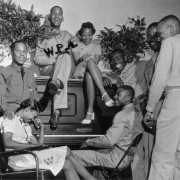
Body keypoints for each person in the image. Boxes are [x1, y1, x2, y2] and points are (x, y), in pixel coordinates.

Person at [1, 98, 97, 180]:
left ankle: (90, 179)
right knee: (67, 151)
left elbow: (39, 144)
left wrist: (42, 127)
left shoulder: (26, 126)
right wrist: (31, 146)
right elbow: (7, 142)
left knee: (67, 162)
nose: (33, 119)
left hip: (29, 155)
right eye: (34, 116)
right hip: (19, 159)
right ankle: (90, 179)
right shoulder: (10, 119)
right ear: (27, 109)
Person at [72, 85, 143, 178]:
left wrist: (88, 141)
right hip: (126, 157)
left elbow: (108, 142)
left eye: (118, 94)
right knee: (95, 151)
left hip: (115, 159)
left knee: (70, 155)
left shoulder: (122, 115)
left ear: (128, 98)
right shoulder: (138, 113)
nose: (114, 97)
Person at [143, 15, 180, 180]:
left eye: (160, 32)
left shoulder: (170, 42)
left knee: (163, 155)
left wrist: (150, 108)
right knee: (178, 155)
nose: (159, 37)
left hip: (175, 98)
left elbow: (159, 80)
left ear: (171, 28)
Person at [34, 6, 78, 128]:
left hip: (63, 70)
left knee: (65, 57)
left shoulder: (68, 36)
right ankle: (57, 111)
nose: (56, 16)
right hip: (49, 70)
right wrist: (54, 60)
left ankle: (57, 82)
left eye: (59, 14)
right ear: (50, 16)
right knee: (62, 60)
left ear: (62, 18)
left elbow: (77, 54)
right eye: (54, 13)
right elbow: (36, 59)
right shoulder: (42, 37)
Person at [131, 22, 162, 180]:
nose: (151, 39)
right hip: (150, 109)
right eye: (148, 36)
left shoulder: (165, 57)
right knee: (140, 157)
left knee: (154, 156)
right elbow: (152, 87)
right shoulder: (152, 60)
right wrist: (141, 98)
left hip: (159, 111)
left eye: (155, 35)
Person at [72, 22, 114, 124]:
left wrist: (89, 60)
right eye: (84, 35)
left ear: (92, 35)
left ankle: (89, 112)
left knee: (90, 74)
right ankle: (104, 93)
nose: (87, 37)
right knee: (90, 61)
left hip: (89, 73)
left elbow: (95, 63)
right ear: (81, 35)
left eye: (89, 35)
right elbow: (76, 62)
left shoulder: (97, 46)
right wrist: (82, 58)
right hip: (79, 71)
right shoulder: (76, 45)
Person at [0, 40, 38, 120]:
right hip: (10, 114)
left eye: (24, 51)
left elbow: (34, 94)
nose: (22, 54)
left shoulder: (30, 74)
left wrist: (35, 114)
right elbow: (1, 95)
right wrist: (5, 110)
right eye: (18, 51)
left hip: (26, 115)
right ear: (11, 53)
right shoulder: (4, 72)